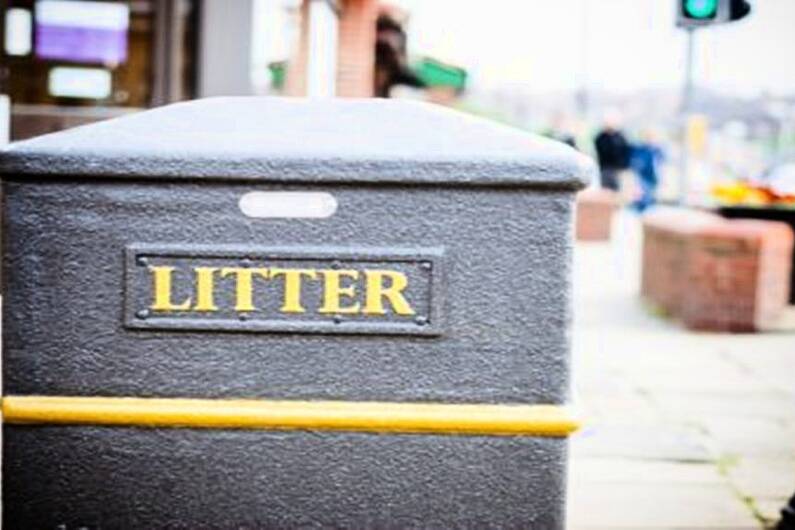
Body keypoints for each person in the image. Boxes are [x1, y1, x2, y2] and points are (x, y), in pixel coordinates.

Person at [629, 130, 665, 212]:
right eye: (648, 137)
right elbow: (635, 161)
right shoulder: (641, 149)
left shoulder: (657, 150)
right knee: (643, 195)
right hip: (643, 176)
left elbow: (661, 161)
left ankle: (647, 210)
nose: (650, 139)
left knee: (651, 195)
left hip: (654, 177)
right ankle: (641, 209)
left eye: (652, 137)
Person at [594, 113, 631, 191]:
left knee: (618, 190)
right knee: (605, 190)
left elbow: (625, 152)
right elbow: (601, 151)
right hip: (605, 168)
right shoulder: (601, 137)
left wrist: (624, 168)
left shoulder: (621, 137)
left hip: (618, 169)